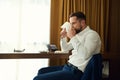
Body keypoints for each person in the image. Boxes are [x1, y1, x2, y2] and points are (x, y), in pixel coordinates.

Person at [33, 11, 101, 80]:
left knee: (38, 79)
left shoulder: (92, 35)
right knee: (41, 71)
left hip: (76, 72)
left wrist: (72, 37)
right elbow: (65, 49)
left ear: (82, 22)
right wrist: (63, 37)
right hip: (68, 67)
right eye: (71, 24)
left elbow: (85, 55)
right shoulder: (78, 35)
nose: (72, 27)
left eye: (73, 23)